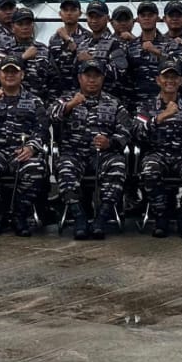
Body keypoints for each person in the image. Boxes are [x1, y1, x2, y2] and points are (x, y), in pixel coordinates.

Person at [0, 57, 52, 237]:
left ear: (22, 75)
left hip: (22, 151)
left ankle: (20, 214)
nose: (10, 75)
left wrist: (31, 147)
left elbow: (43, 131)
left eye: (14, 72)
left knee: (36, 168)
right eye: (6, 71)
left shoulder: (34, 101)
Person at [52, 61, 132, 240]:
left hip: (103, 155)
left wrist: (110, 142)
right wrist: (71, 105)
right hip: (73, 154)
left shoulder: (114, 103)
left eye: (96, 76)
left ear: (103, 79)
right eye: (88, 76)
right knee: (65, 167)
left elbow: (126, 131)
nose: (92, 80)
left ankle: (101, 218)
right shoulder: (66, 98)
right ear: (80, 78)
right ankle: (79, 216)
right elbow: (51, 117)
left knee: (118, 165)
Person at [135, 61, 182, 238]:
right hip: (156, 153)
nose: (170, 81)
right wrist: (161, 117)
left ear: (180, 81)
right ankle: (161, 216)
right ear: (158, 80)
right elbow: (136, 133)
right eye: (166, 77)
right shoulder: (146, 106)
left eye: (174, 77)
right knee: (149, 171)